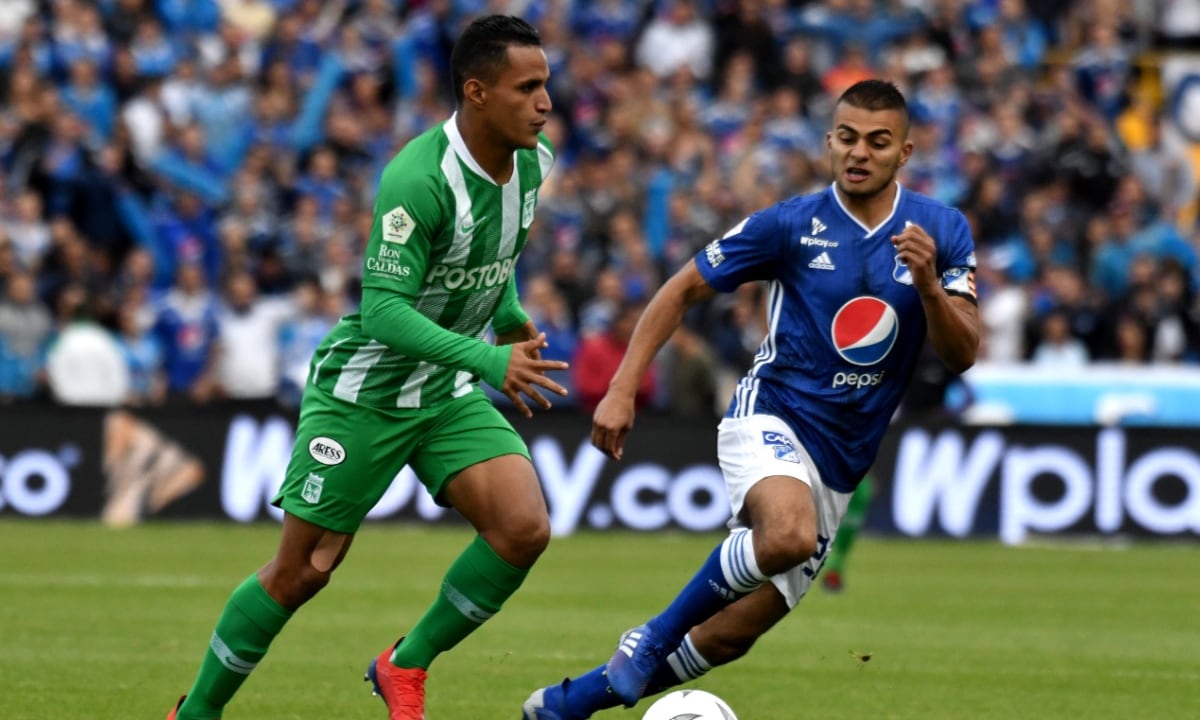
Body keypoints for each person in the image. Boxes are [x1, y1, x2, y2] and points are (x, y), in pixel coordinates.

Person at [523, 79, 980, 719]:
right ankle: (651, 635)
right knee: (788, 534)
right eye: (847, 138)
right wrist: (623, 387)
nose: (859, 153)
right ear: (829, 141)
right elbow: (680, 289)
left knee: (730, 633)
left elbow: (963, 354)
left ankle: (569, 704)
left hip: (844, 461)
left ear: (904, 152)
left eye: (878, 142)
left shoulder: (941, 229)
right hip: (772, 415)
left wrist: (929, 285)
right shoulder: (791, 225)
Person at [166, 15, 567, 720]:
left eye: (546, 85)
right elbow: (383, 312)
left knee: (523, 527)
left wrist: (506, 316)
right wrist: (487, 357)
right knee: (302, 572)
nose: (545, 102)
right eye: (527, 87)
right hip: (366, 392)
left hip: (443, 392)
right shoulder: (418, 178)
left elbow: (490, 259)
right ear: (476, 92)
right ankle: (194, 713)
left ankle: (402, 664)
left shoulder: (534, 163)